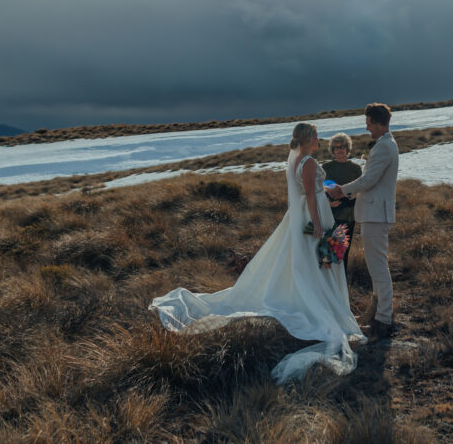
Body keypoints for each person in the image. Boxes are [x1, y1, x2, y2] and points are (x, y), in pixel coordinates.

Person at [149, 122, 364, 383]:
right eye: (317, 136)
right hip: (314, 216)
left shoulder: (301, 160)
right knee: (322, 260)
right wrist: (318, 221)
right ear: (309, 139)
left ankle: (326, 299)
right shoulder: (307, 162)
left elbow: (313, 190)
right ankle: (325, 302)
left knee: (317, 260)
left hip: (310, 212)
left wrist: (328, 191)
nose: (320, 139)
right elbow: (309, 193)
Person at [327, 103, 398, 340]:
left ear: (378, 123)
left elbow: (367, 180)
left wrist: (341, 191)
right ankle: (377, 314)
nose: (367, 128)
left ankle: (384, 320)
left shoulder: (384, 147)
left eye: (368, 123)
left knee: (378, 269)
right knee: (376, 268)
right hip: (373, 213)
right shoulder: (384, 145)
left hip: (376, 215)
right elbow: (369, 181)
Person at [322, 132, 361, 273]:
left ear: (348, 148)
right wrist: (327, 202)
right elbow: (318, 190)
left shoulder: (356, 169)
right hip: (329, 216)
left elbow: (360, 192)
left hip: (348, 216)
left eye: (343, 146)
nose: (340, 150)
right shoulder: (325, 168)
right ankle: (329, 285)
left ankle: (341, 285)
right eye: (336, 147)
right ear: (332, 150)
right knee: (329, 252)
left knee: (343, 252)